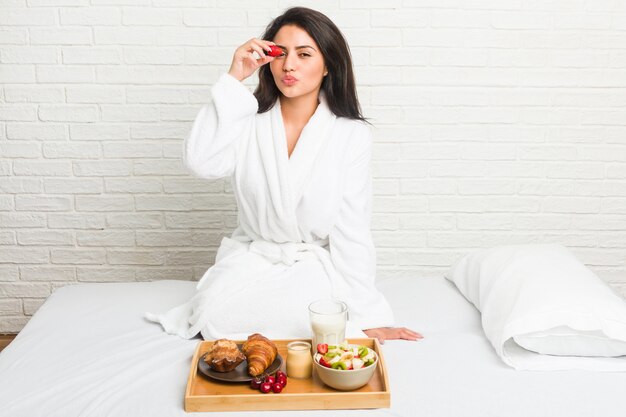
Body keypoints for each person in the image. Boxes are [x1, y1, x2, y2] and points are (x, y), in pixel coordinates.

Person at [146, 7, 422, 345]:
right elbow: (201, 162)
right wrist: (234, 80)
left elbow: (352, 231)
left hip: (311, 267)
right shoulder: (247, 119)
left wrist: (369, 316)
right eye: (279, 54)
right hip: (254, 258)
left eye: (304, 54)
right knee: (214, 315)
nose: (288, 65)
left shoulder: (350, 135)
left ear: (327, 66)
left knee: (314, 314)